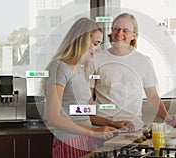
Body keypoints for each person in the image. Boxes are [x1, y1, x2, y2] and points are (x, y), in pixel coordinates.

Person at [43, 18, 133, 158]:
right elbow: (53, 117)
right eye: (95, 43)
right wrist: (93, 131)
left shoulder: (79, 71)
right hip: (69, 142)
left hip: (86, 141)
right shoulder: (60, 68)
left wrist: (113, 123)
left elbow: (86, 114)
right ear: (82, 41)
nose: (98, 49)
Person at [89, 13, 176, 131]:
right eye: (116, 28)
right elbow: (88, 97)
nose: (119, 33)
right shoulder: (96, 59)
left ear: (134, 35)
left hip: (133, 128)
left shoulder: (144, 61)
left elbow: (152, 97)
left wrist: (167, 118)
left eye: (125, 30)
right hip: (103, 128)